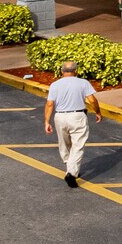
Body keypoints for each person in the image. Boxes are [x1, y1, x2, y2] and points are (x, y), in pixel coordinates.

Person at [43, 60, 100, 188]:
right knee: (78, 145)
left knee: (65, 144)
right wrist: (98, 112)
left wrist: (47, 121)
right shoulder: (83, 83)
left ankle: (71, 167)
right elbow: (92, 100)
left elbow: (50, 104)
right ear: (76, 71)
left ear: (62, 71)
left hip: (60, 117)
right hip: (77, 116)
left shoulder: (55, 85)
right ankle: (71, 173)